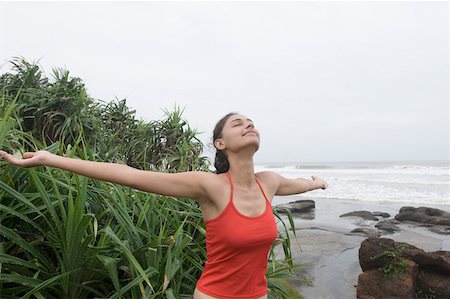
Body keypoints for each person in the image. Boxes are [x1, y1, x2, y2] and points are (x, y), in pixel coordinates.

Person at [0, 112, 328, 299]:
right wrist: (50, 159)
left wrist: (317, 183)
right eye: (237, 123)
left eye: (251, 121)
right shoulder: (209, 185)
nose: (248, 124)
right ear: (221, 143)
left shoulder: (268, 182)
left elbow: (296, 185)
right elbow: (129, 175)